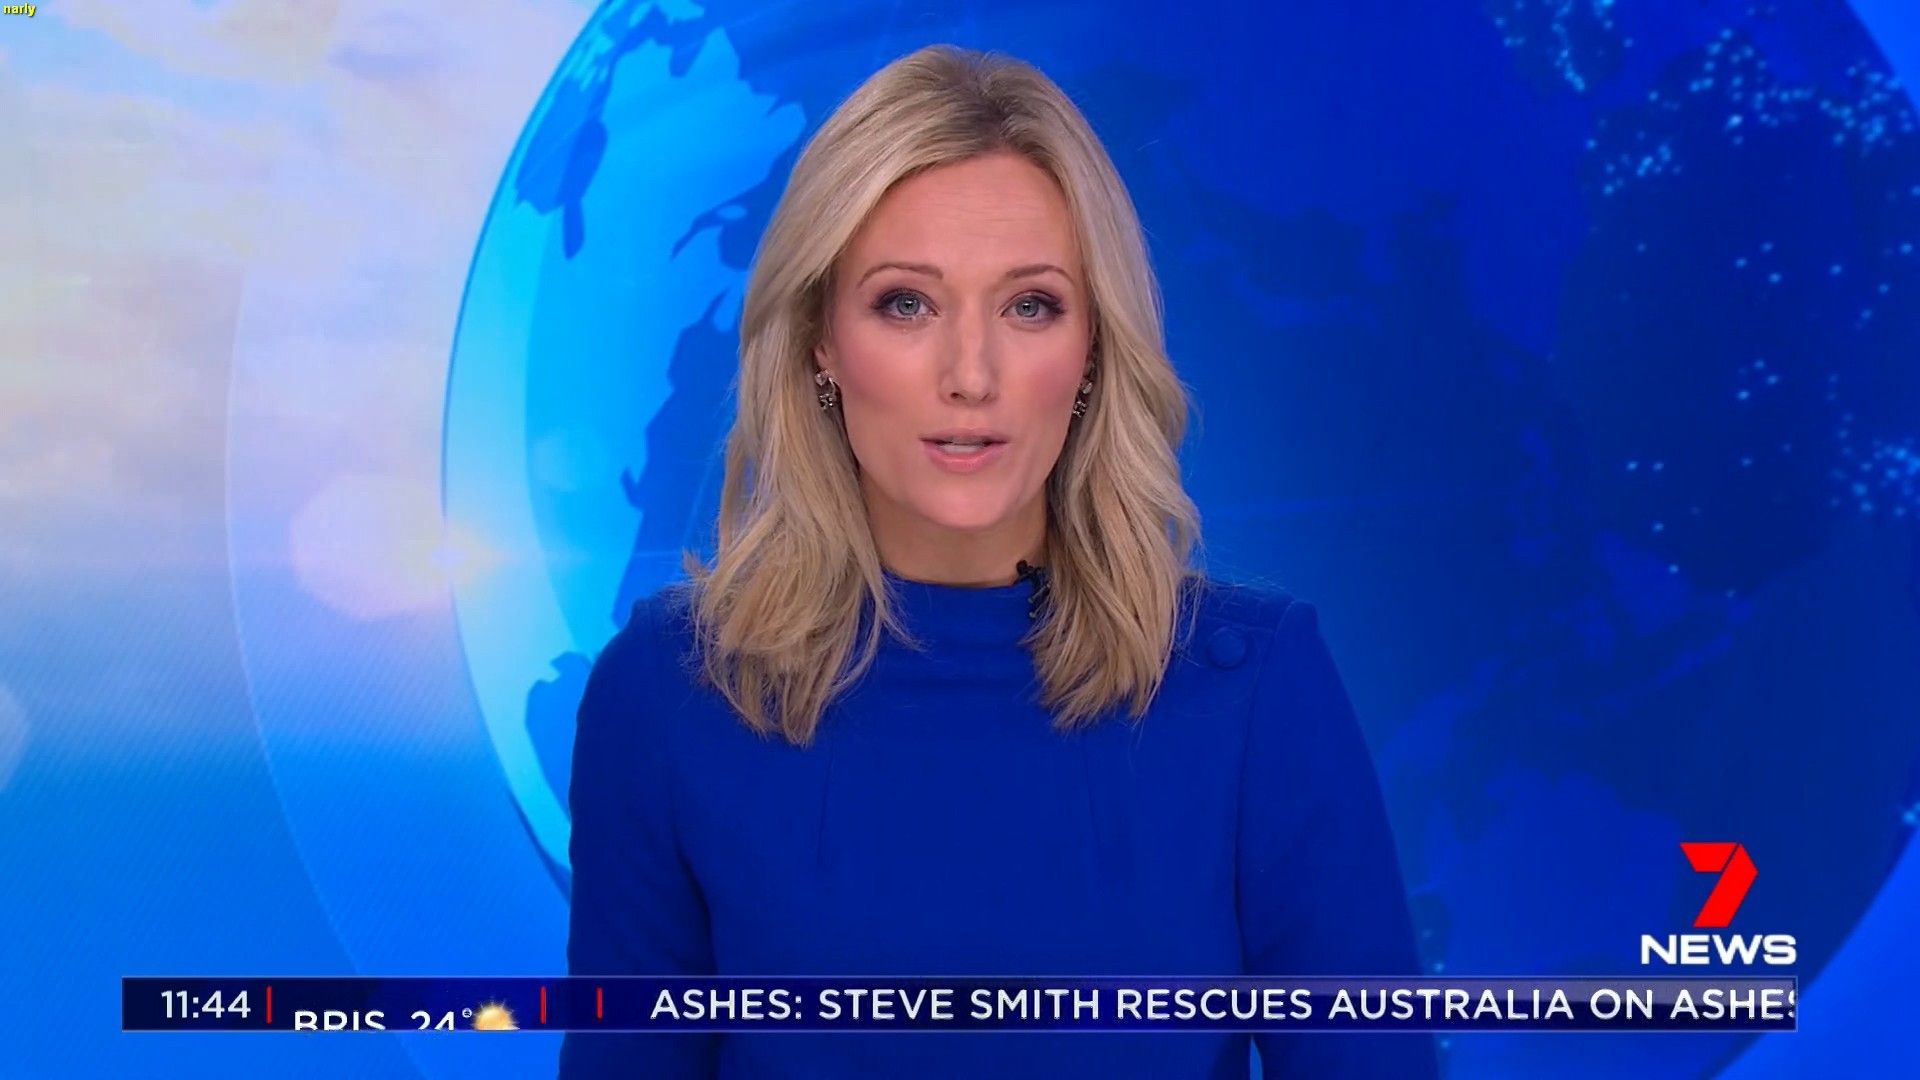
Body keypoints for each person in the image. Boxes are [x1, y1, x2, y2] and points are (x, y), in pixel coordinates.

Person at [558, 43, 1435, 1080]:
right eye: (906, 304)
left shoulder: (1256, 694)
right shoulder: (667, 696)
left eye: (1030, 306)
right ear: (819, 342)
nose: (970, 374)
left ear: (1094, 347)